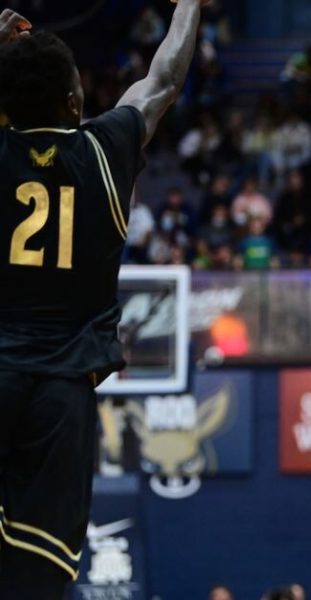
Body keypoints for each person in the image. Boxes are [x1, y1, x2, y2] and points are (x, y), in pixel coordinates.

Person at [0, 2, 204, 597]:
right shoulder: (104, 150)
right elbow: (163, 78)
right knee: (37, 574)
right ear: (73, 104)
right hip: (60, 391)